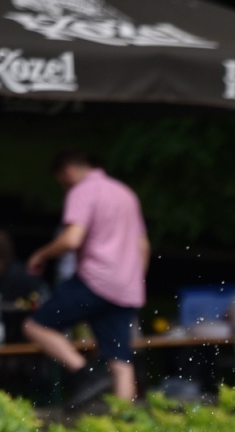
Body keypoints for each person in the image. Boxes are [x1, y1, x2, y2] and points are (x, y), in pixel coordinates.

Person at [24, 151, 149, 405]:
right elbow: (143, 246)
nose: (64, 187)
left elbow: (72, 239)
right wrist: (133, 281)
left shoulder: (82, 191)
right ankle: (125, 426)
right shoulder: (125, 193)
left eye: (61, 182)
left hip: (96, 280)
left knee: (35, 326)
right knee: (120, 361)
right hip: (126, 288)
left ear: (67, 171)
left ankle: (85, 374)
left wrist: (41, 255)